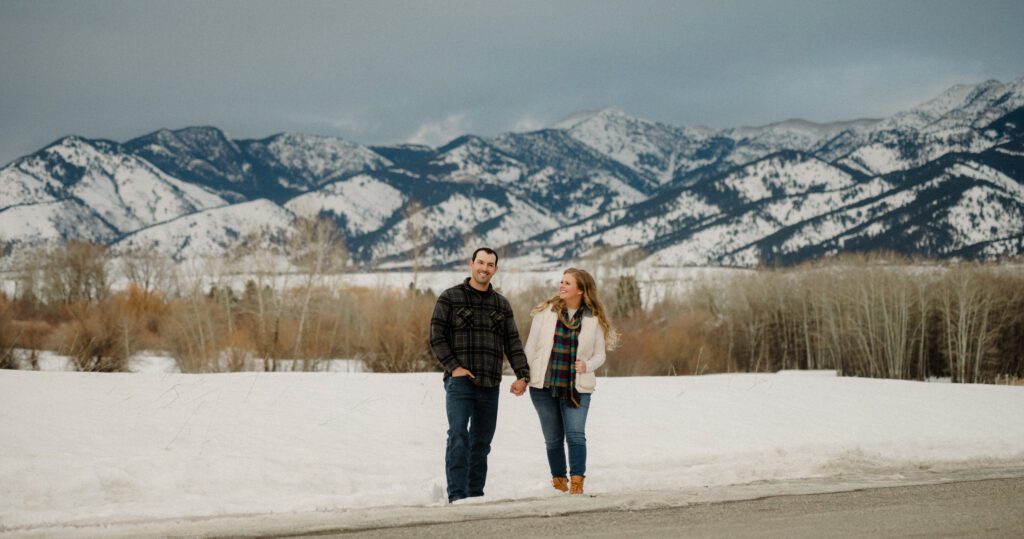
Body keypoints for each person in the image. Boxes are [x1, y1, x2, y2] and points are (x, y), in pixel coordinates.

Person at [429, 247, 530, 503]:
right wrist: (454, 367)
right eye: (480, 262)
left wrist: (522, 375)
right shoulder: (450, 298)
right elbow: (436, 337)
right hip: (461, 382)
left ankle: (475, 496)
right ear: (471, 264)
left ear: (495, 269)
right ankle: (458, 496)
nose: (484, 268)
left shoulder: (501, 304)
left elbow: (513, 343)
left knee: (481, 443)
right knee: (459, 436)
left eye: (490, 264)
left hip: (490, 383)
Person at [523, 268, 618, 495]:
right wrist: (524, 377)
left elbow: (600, 354)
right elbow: (530, 347)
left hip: (577, 388)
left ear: (580, 290)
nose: (562, 286)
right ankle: (558, 483)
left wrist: (587, 365)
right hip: (543, 386)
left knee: (575, 435)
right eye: (562, 281)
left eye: (567, 283)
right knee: (553, 439)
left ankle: (576, 484)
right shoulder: (545, 312)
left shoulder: (592, 319)